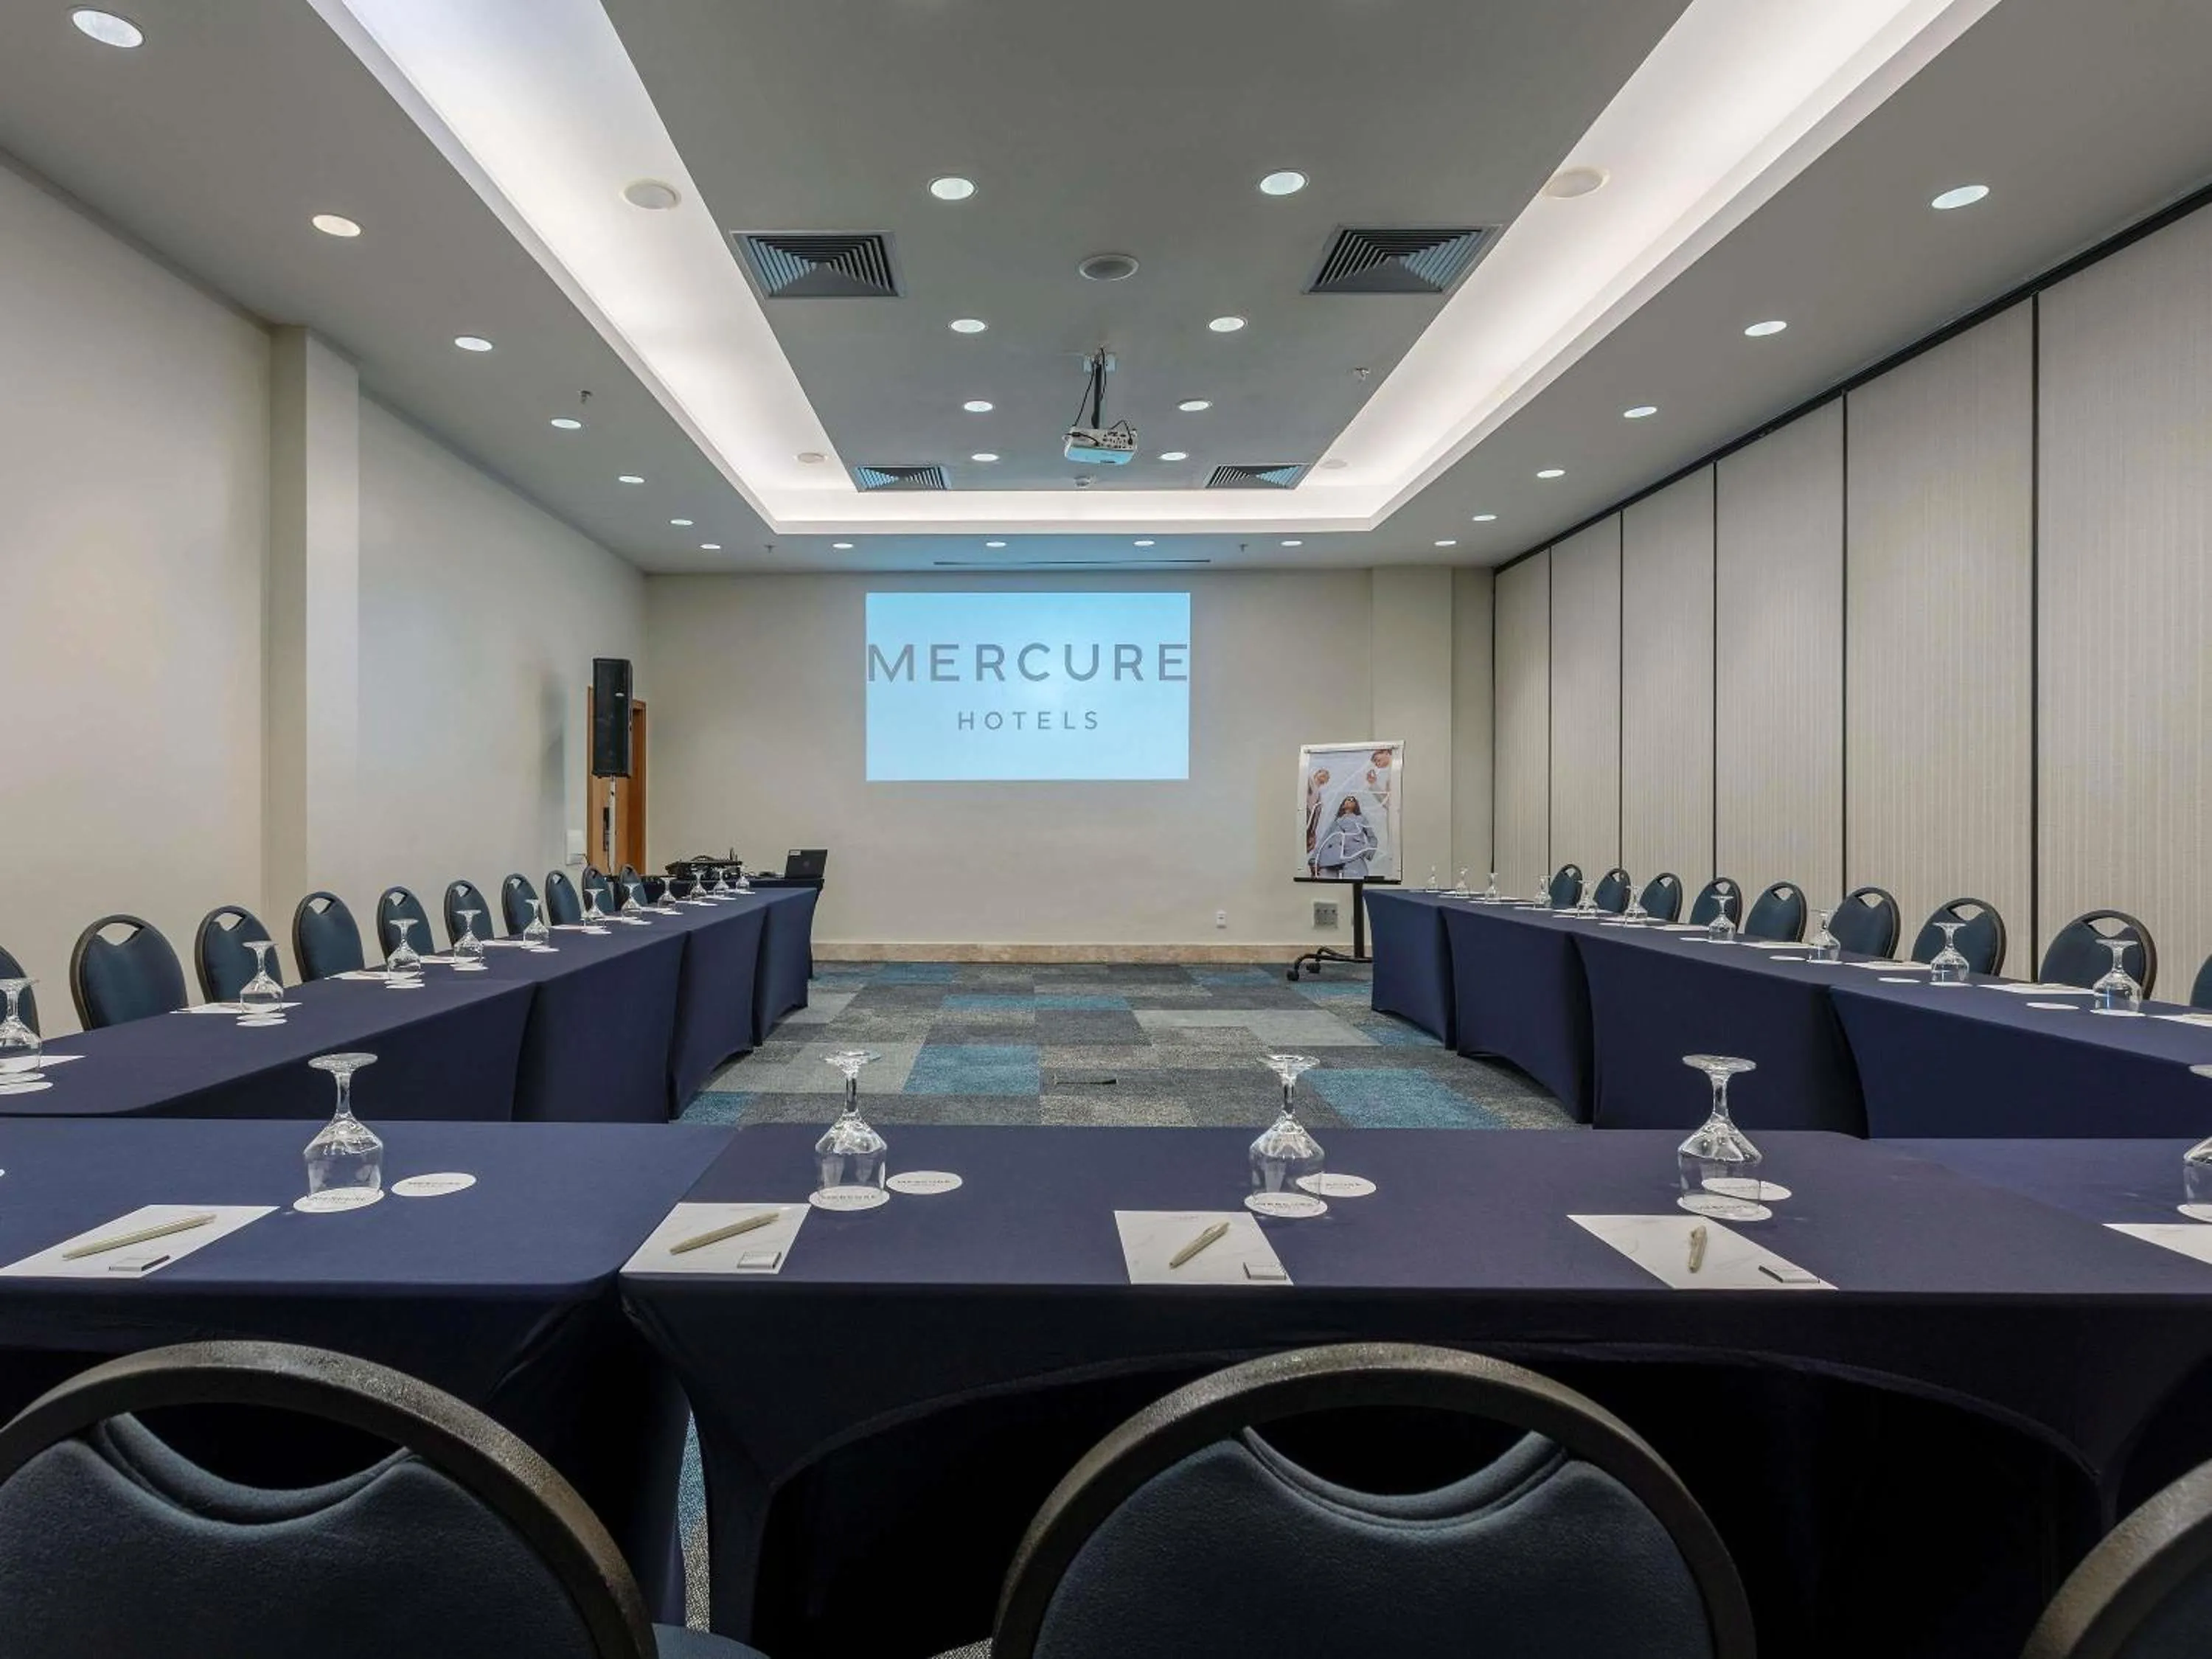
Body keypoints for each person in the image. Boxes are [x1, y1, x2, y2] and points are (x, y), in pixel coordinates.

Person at [1313, 795, 1380, 880]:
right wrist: (1314, 859)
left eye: (1353, 800)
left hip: (1354, 854)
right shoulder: (1336, 821)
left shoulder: (1361, 819)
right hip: (1332, 856)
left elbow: (1372, 838)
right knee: (1327, 884)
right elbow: (1324, 840)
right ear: (1343, 805)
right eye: (1348, 799)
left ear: (1356, 805)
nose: (1351, 800)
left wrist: (1368, 851)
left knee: (1355, 883)